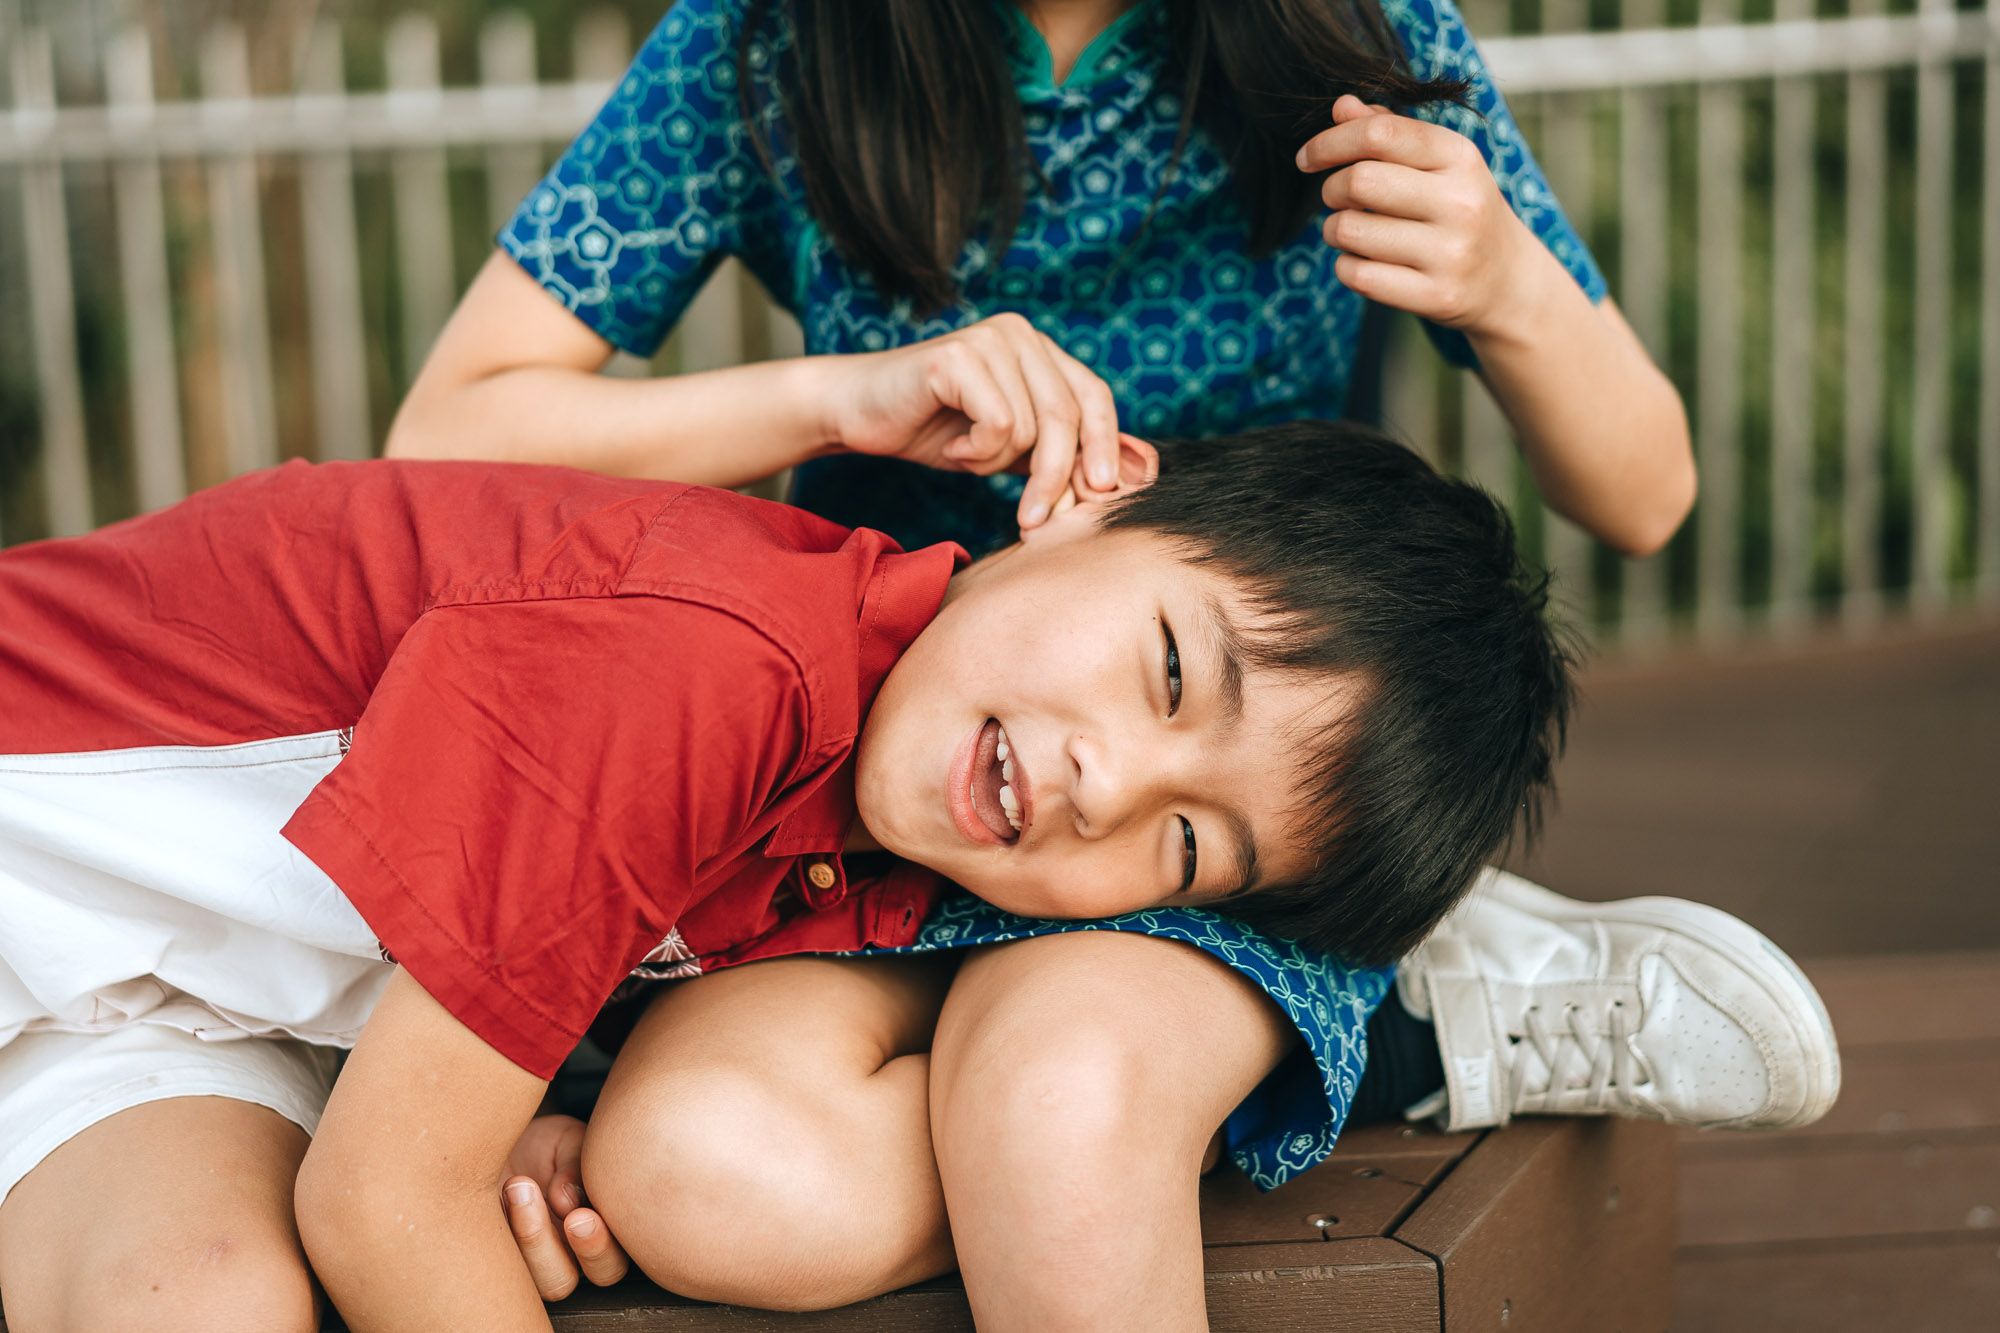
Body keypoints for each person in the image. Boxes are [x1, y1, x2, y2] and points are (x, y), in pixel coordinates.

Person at [377, 0, 1829, 1325]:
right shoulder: (777, 35)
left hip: (1190, 823)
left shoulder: (1354, 31)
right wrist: (840, 398)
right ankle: (1369, 1030)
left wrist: (1510, 284)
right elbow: (447, 434)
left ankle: (1337, 1026)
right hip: (843, 807)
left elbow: (1647, 493)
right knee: (700, 1169)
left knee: (1059, 1098)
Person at [0, 423, 1593, 1331]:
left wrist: (504, 1112)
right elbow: (386, 1203)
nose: (1110, 781)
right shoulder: (710, 664)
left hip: (173, 1012)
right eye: (1171, 670)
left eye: (1182, 848)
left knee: (195, 1299)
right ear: (1090, 497)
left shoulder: (869, 844)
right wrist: (447, 1150)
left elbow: (436, 1087)